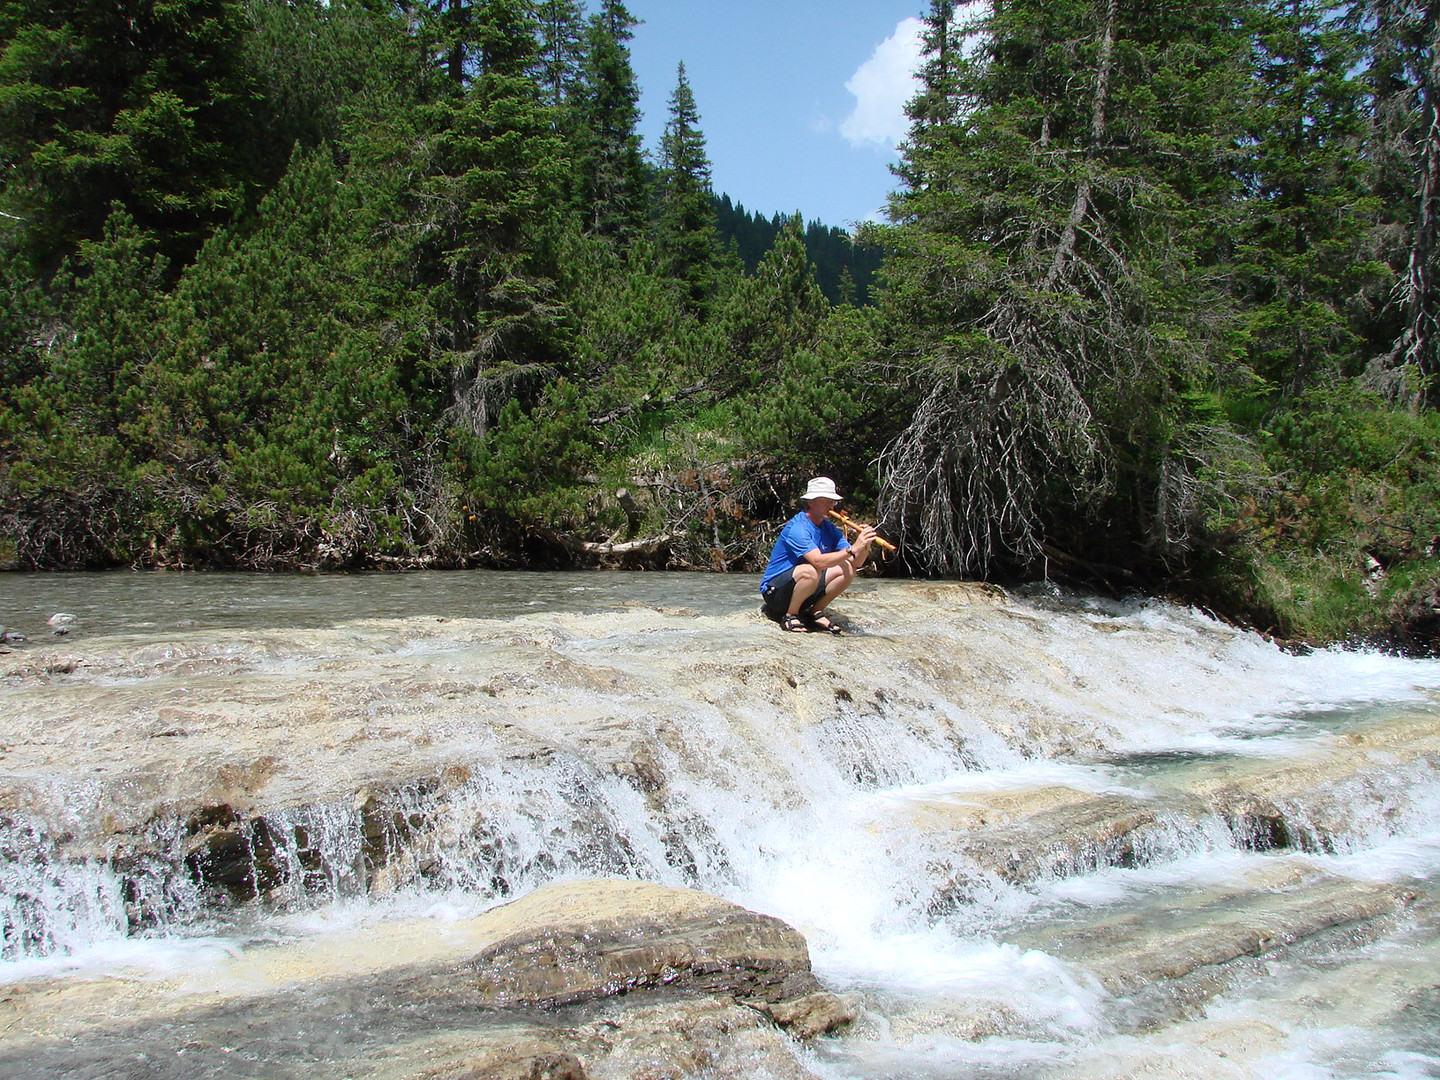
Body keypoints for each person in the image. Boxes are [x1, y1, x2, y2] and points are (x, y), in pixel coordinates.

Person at [759, 476, 876, 633]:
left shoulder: (828, 528)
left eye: (833, 501)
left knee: (847, 568)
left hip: (805, 586)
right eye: (827, 501)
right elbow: (818, 561)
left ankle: (816, 612)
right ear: (811, 502)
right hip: (776, 593)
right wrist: (854, 548)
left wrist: (865, 544)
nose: (832, 506)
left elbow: (857, 563)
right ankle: (790, 615)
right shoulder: (798, 528)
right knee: (810, 570)